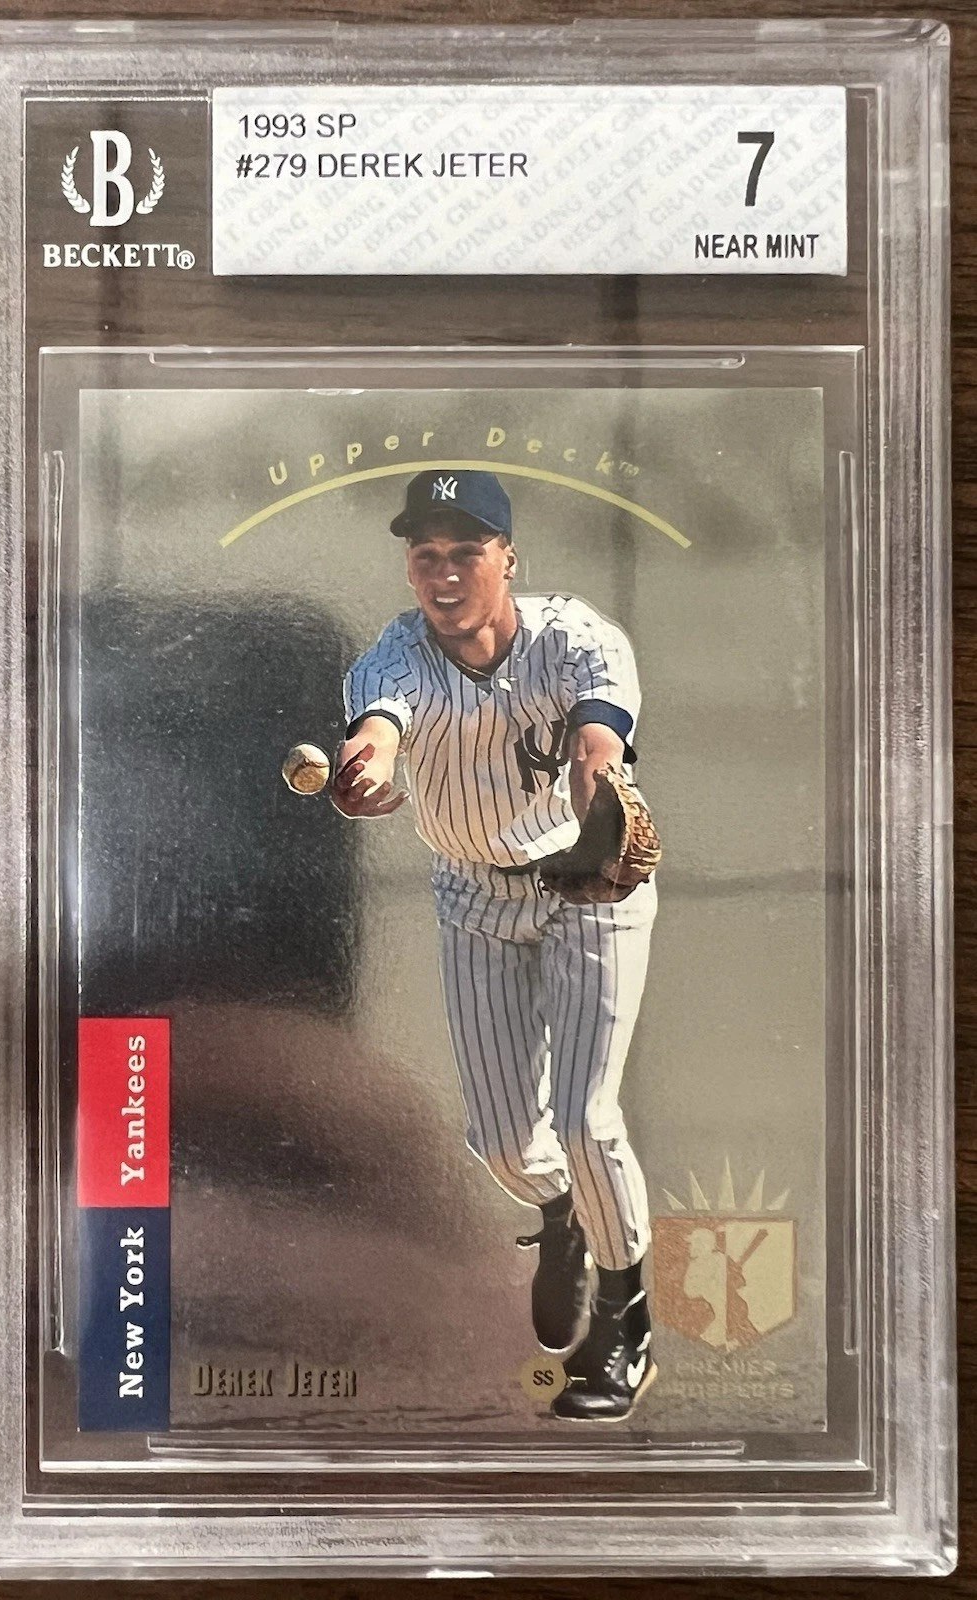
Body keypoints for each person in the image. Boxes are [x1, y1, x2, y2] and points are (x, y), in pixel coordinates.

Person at [332, 468, 658, 1420]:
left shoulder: (577, 637)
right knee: (509, 1146)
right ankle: (564, 1215)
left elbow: (598, 744)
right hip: (473, 892)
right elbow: (379, 732)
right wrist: (365, 769)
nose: (444, 572)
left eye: (466, 551)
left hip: (589, 890)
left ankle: (627, 1318)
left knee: (587, 1120)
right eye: (425, 553)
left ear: (507, 557)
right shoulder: (394, 656)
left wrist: (600, 802)